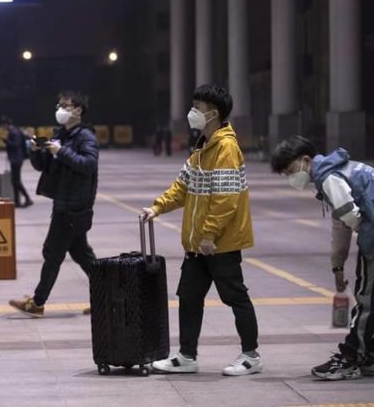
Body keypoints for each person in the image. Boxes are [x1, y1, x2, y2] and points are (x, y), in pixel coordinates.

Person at [141, 83, 261, 376]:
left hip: (220, 243)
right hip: (198, 243)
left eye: (197, 108)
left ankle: (251, 356)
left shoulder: (226, 148)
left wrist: (209, 234)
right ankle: (187, 356)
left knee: (235, 296)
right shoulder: (201, 148)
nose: (192, 113)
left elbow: (226, 199)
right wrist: (157, 207)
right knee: (189, 297)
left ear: (213, 113)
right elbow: (182, 186)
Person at [270, 136, 374, 380]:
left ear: (306, 160)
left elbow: (348, 215)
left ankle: (351, 357)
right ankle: (367, 354)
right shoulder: (341, 170)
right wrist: (338, 267)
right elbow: (341, 224)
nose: (290, 178)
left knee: (366, 301)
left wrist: (363, 234)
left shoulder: (329, 178)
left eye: (290, 171)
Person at [8, 91, 98, 317]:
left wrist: (61, 151)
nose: (60, 109)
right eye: (59, 105)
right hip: (65, 203)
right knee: (81, 254)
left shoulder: (85, 137)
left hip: (73, 207)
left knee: (52, 253)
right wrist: (35, 152)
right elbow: (43, 166)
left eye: (66, 106)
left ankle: (37, 302)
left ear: (78, 110)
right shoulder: (60, 135)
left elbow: (88, 164)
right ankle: (107, 297)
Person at [1, 116, 33, 208]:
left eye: (3, 126)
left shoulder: (14, 132)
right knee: (14, 181)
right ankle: (17, 201)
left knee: (16, 181)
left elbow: (15, 144)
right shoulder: (14, 131)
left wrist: (6, 141)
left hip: (16, 159)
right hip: (16, 158)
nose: (2, 128)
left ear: (6, 124)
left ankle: (27, 198)